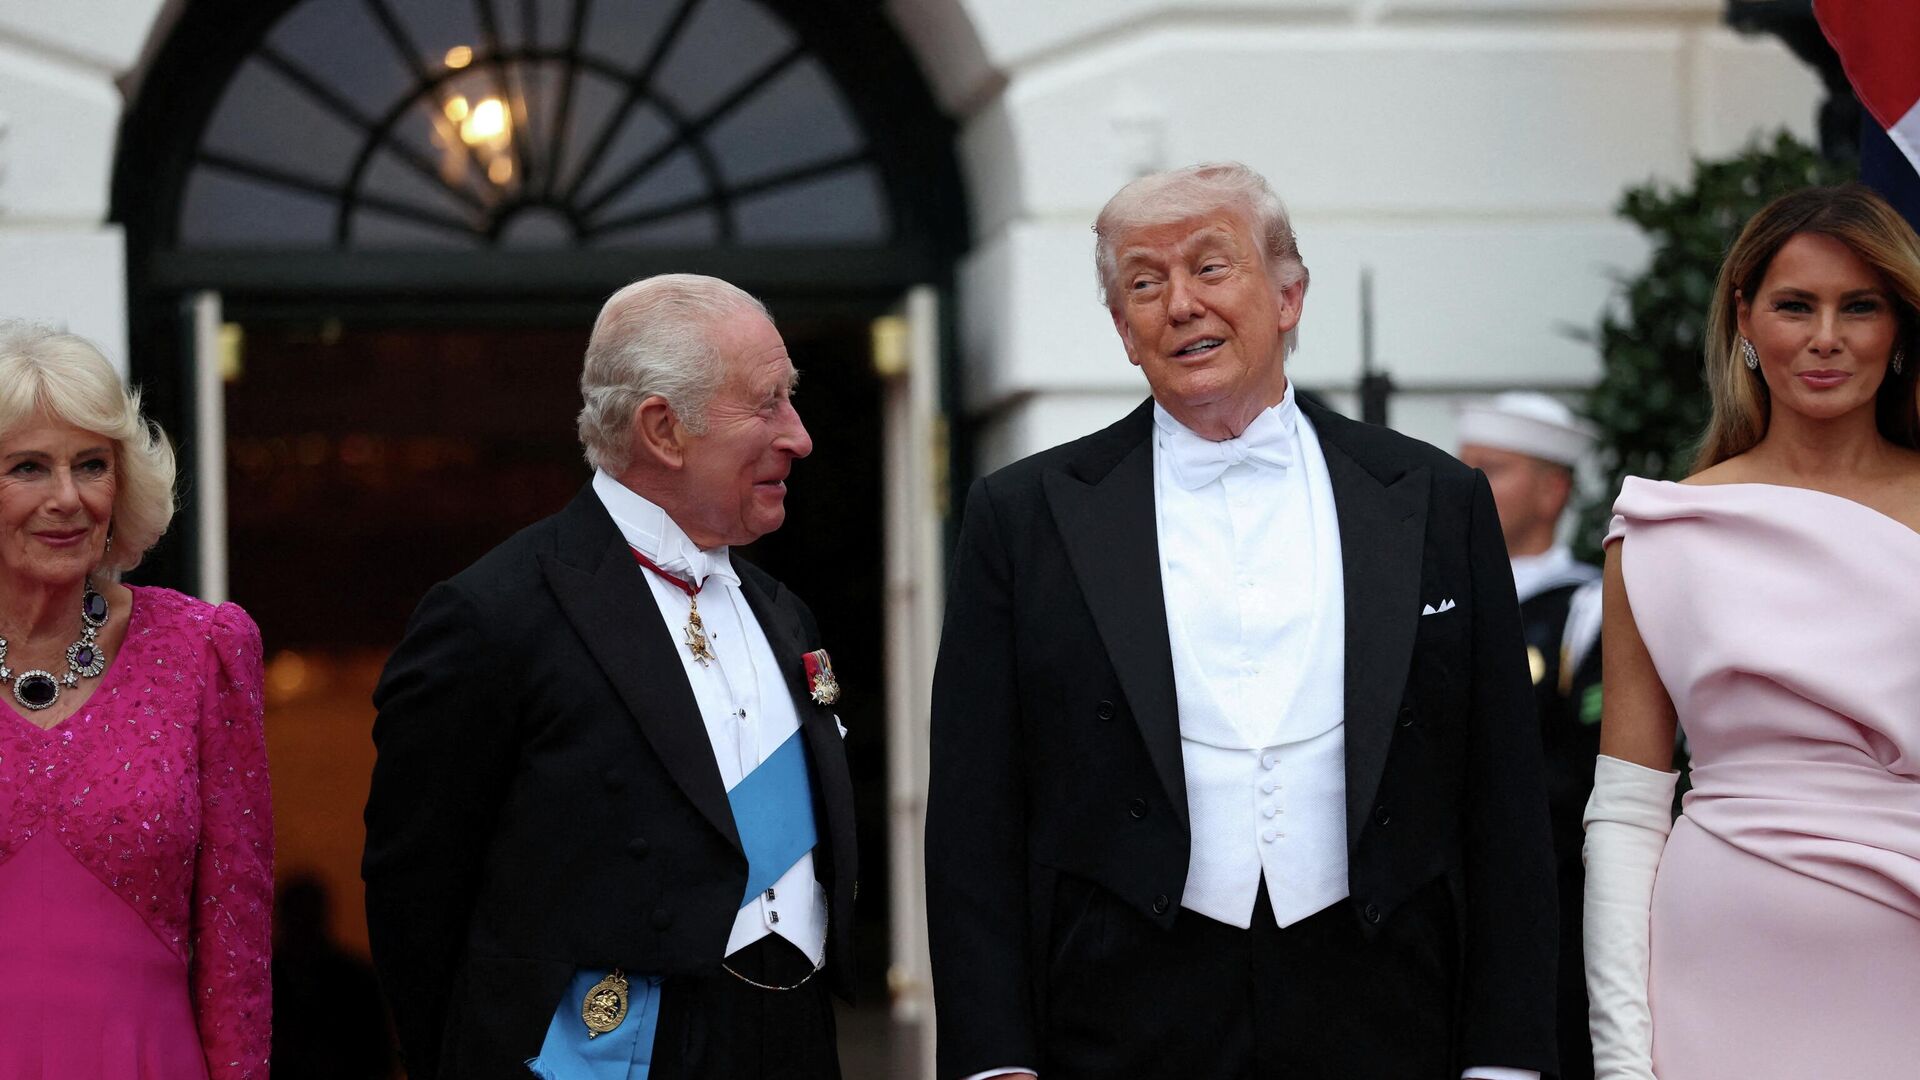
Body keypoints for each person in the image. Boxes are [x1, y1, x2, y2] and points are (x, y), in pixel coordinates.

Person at [925, 162, 1557, 1080]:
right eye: (1146, 283)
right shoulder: (1022, 517)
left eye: (1212, 267)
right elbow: (974, 814)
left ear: (1289, 296)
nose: (1181, 303)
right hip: (1117, 1015)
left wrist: (1506, 1056)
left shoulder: (1434, 498)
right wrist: (993, 1060)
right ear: (1123, 329)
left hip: (1387, 1004)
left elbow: (1503, 797)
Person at [363, 274, 856, 1080]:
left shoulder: (785, 613)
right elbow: (415, 895)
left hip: (794, 1038)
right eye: (767, 404)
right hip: (608, 1051)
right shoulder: (494, 615)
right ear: (663, 430)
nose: (798, 436)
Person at [1584, 183, 1920, 1078]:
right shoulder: (1664, 530)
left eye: (1861, 307)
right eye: (1795, 305)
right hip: (1716, 970)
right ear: (1744, 319)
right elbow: (1626, 812)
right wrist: (1621, 1058)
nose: (1826, 337)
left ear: (1899, 328)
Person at [0, 321, 272, 1078]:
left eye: (91, 465)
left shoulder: (203, 647)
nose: (67, 497)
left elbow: (237, 945)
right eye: (28, 468)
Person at [1457, 391, 1603, 1080]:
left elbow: (1594, 767)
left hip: (1553, 898)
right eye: (1463, 465)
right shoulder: (1431, 593)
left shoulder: (1588, 608)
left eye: (1491, 469)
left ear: (1552, 491)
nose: (1467, 485)